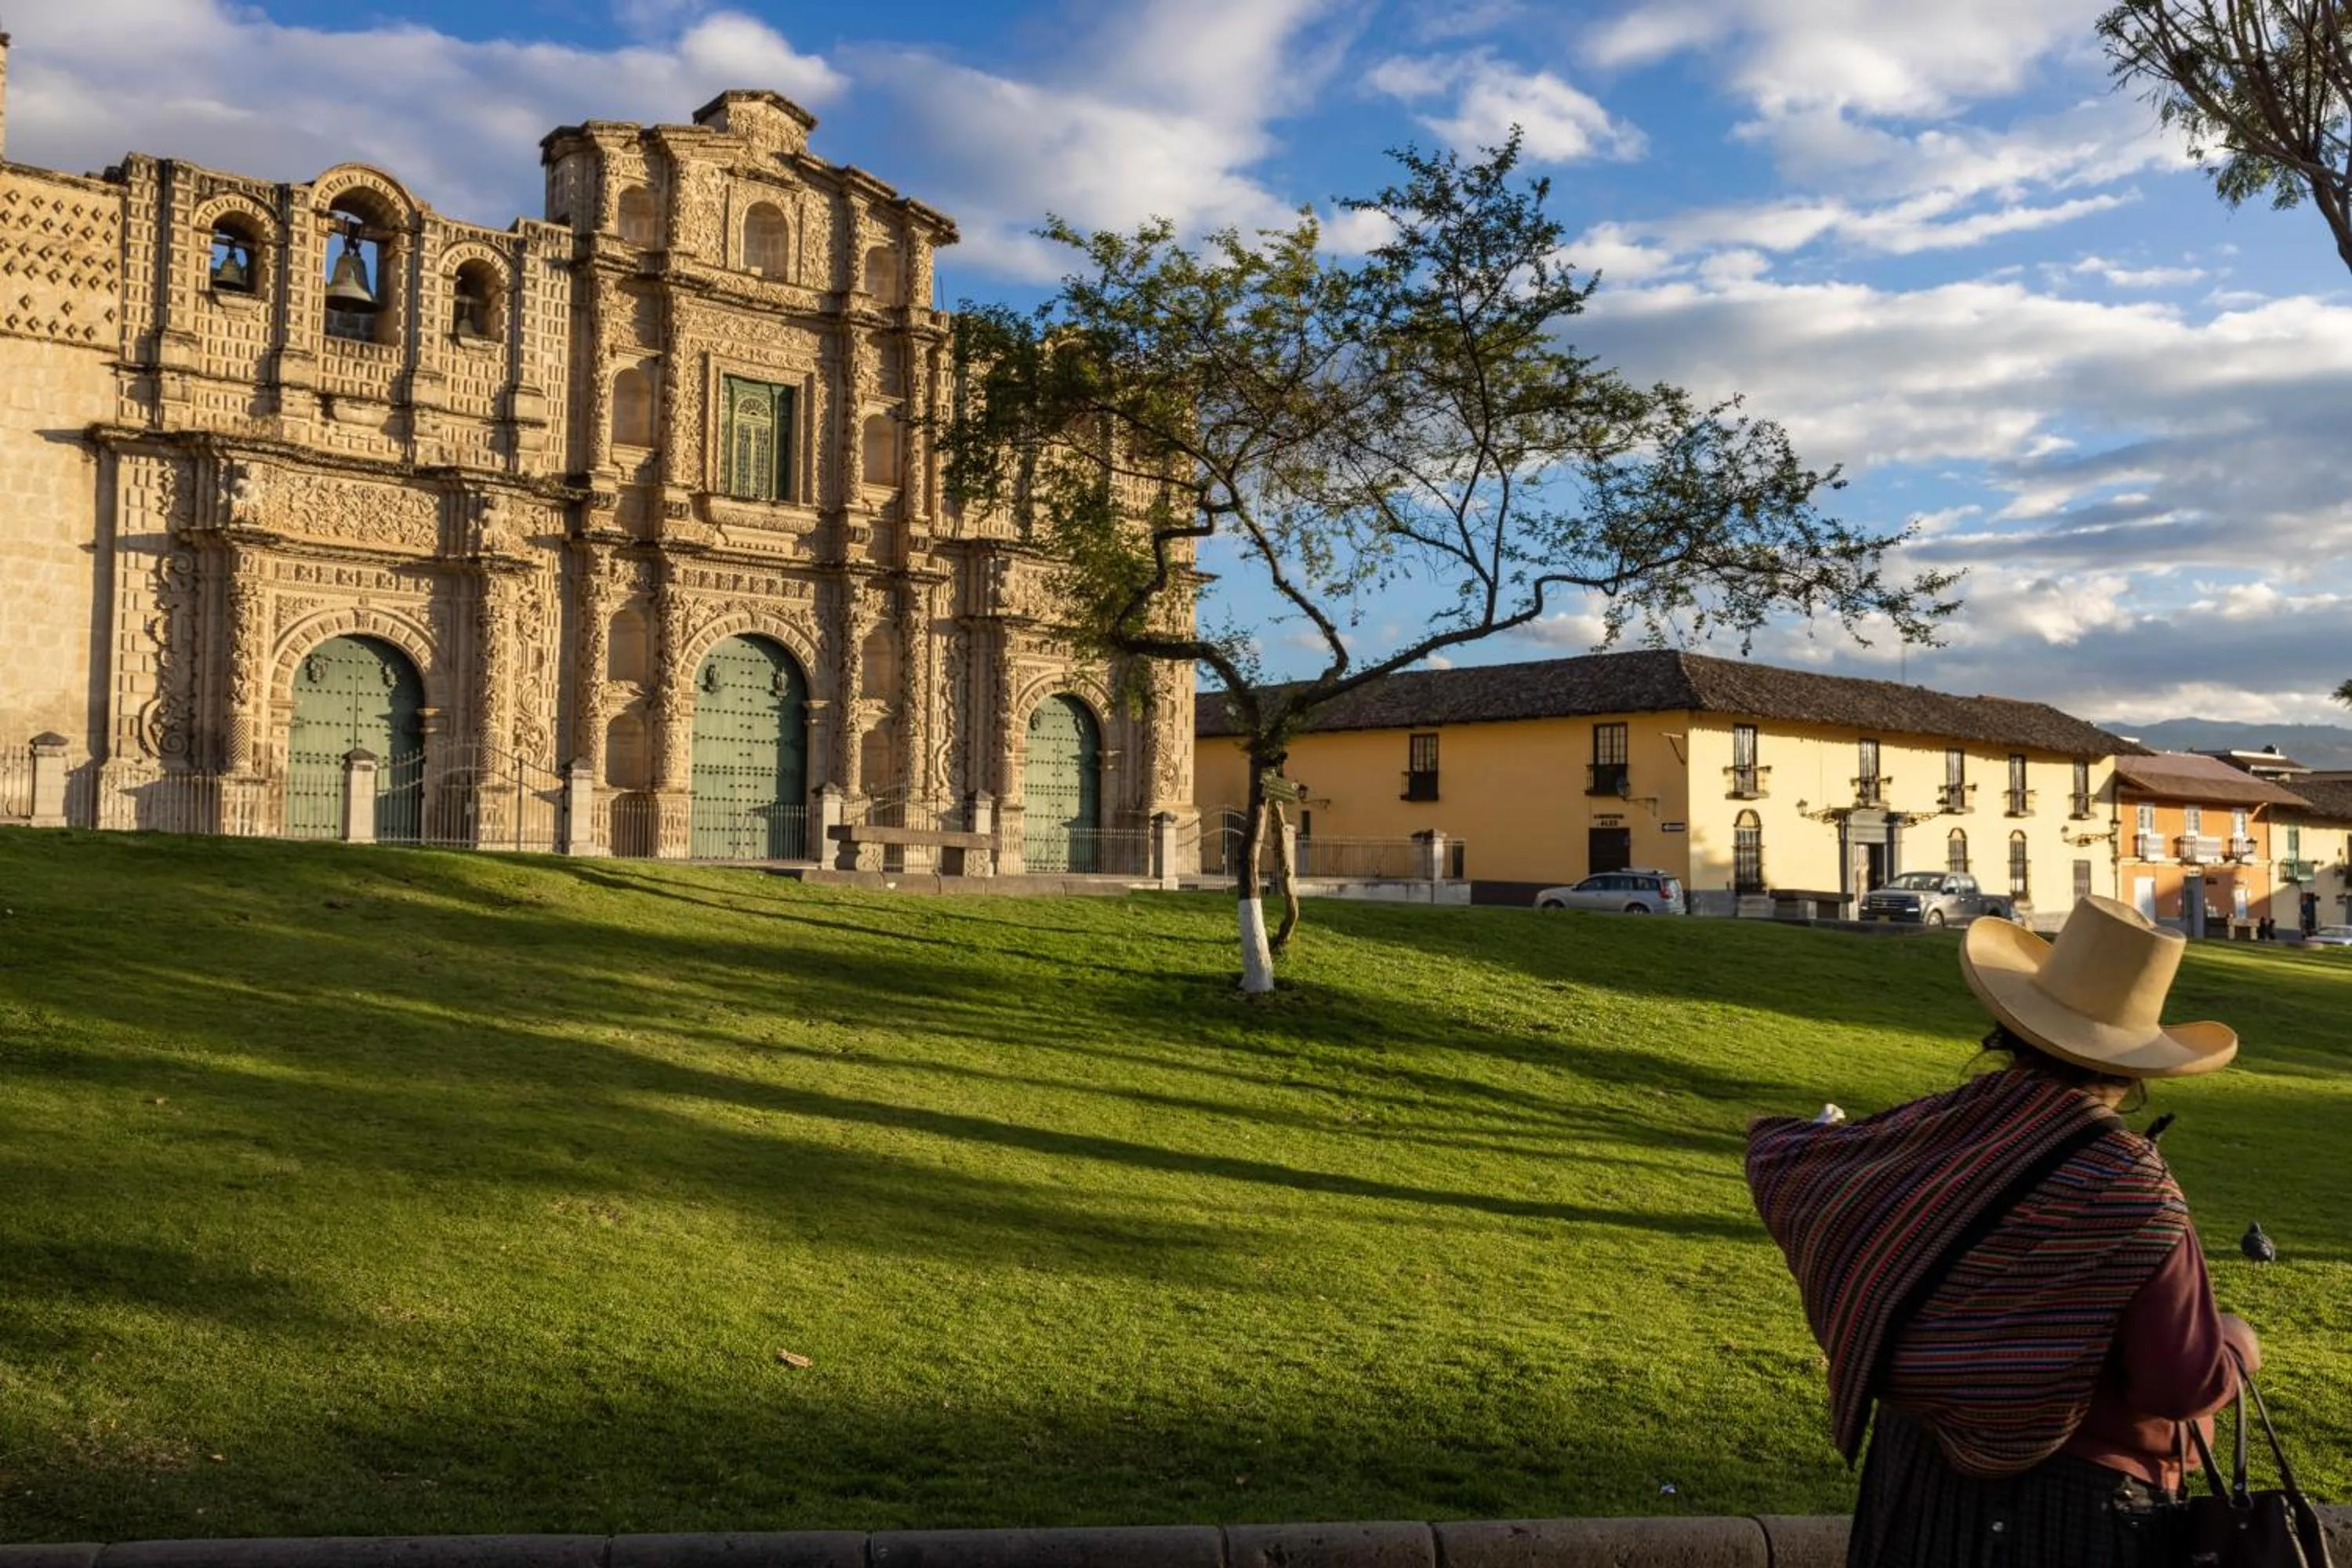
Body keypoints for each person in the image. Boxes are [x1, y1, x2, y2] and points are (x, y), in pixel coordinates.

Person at [1747, 896, 2255, 1567]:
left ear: (2013, 1025)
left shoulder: (1946, 1124)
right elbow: (2178, 1385)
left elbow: (1800, 1171)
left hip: (1911, 1490)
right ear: (2134, 1066)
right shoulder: (2129, 1184)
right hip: (2073, 1513)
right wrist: (2237, 1345)